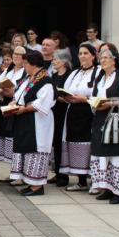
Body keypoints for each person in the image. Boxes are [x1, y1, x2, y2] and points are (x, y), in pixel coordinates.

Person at [90, 49, 119, 204]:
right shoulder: (100, 77)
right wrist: (94, 104)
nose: (102, 61)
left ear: (114, 60)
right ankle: (107, 188)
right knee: (104, 154)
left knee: (118, 154)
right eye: (101, 58)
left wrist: (112, 103)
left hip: (118, 120)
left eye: (105, 58)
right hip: (101, 119)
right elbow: (94, 96)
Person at [8, 51, 56, 196]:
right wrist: (14, 103)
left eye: (26, 63)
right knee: (26, 148)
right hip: (25, 119)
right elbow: (20, 94)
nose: (24, 66)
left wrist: (25, 108)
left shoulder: (45, 80)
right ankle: (30, 181)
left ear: (34, 64)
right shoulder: (29, 78)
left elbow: (43, 102)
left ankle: (37, 185)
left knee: (37, 147)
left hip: (37, 120)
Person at [59, 44, 99, 192]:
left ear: (93, 55)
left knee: (90, 145)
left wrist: (84, 98)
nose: (82, 56)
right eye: (80, 53)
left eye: (86, 53)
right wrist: (66, 97)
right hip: (73, 112)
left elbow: (101, 93)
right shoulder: (75, 73)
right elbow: (66, 88)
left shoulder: (99, 72)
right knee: (74, 143)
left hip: (89, 112)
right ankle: (81, 180)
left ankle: (94, 180)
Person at [0, 46, 26, 177]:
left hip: (16, 105)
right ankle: (13, 172)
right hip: (5, 104)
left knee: (13, 135)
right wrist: (0, 90)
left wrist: (14, 92)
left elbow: (25, 87)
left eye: (19, 54)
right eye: (15, 54)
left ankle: (18, 172)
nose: (16, 56)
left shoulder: (25, 71)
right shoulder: (9, 70)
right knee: (5, 134)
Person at [47, 49, 73, 187]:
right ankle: (57, 172)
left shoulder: (70, 75)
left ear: (63, 61)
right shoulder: (54, 75)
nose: (53, 62)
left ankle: (64, 175)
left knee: (62, 142)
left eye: (55, 59)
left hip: (65, 111)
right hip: (55, 111)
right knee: (56, 142)